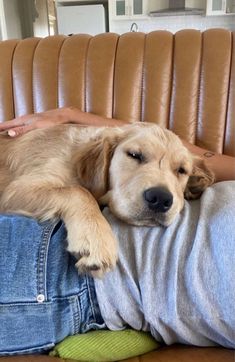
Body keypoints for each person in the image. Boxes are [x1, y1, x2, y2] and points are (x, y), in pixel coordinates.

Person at [0, 107, 235, 355]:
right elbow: (15, 195)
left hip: (84, 288)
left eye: (180, 171)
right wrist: (69, 115)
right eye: (136, 156)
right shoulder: (81, 154)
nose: (162, 188)